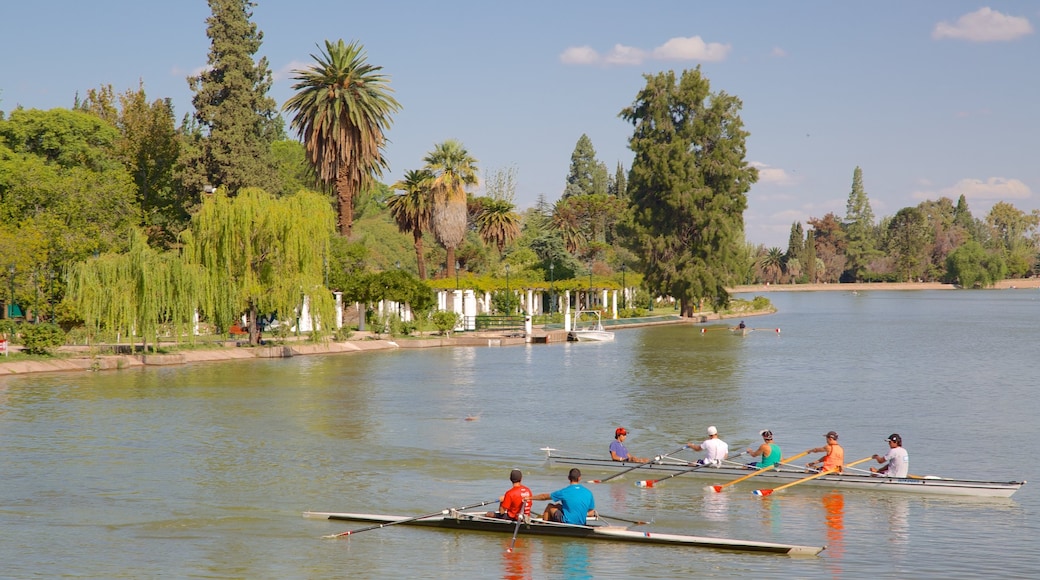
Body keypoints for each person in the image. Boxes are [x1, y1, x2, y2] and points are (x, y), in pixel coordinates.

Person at [531, 468, 596, 525]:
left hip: (567, 522)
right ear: (579, 478)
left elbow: (544, 497)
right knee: (558, 506)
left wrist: (529, 498)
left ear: (568, 478)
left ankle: (544, 526)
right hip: (582, 523)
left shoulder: (564, 492)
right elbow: (591, 512)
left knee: (550, 506)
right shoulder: (588, 492)